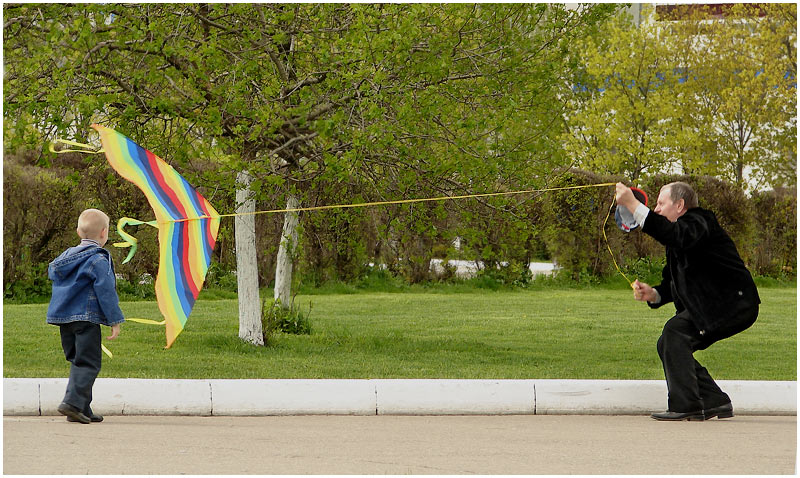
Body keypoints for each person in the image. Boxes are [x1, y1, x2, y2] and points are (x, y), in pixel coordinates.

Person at [615, 181, 760, 421]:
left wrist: (632, 204)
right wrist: (654, 294)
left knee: (675, 332)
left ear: (680, 205)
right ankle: (715, 400)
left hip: (734, 303)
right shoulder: (680, 238)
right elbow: (672, 282)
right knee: (668, 343)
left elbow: (674, 234)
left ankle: (687, 406)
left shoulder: (700, 222)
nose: (657, 209)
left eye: (661, 203)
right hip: (717, 306)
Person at [46, 208, 125, 424]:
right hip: (86, 319)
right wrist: (114, 319)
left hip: (65, 320)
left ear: (79, 232)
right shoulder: (98, 259)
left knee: (78, 362)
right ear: (104, 233)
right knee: (88, 363)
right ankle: (71, 403)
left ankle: (82, 407)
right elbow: (106, 290)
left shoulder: (65, 257)